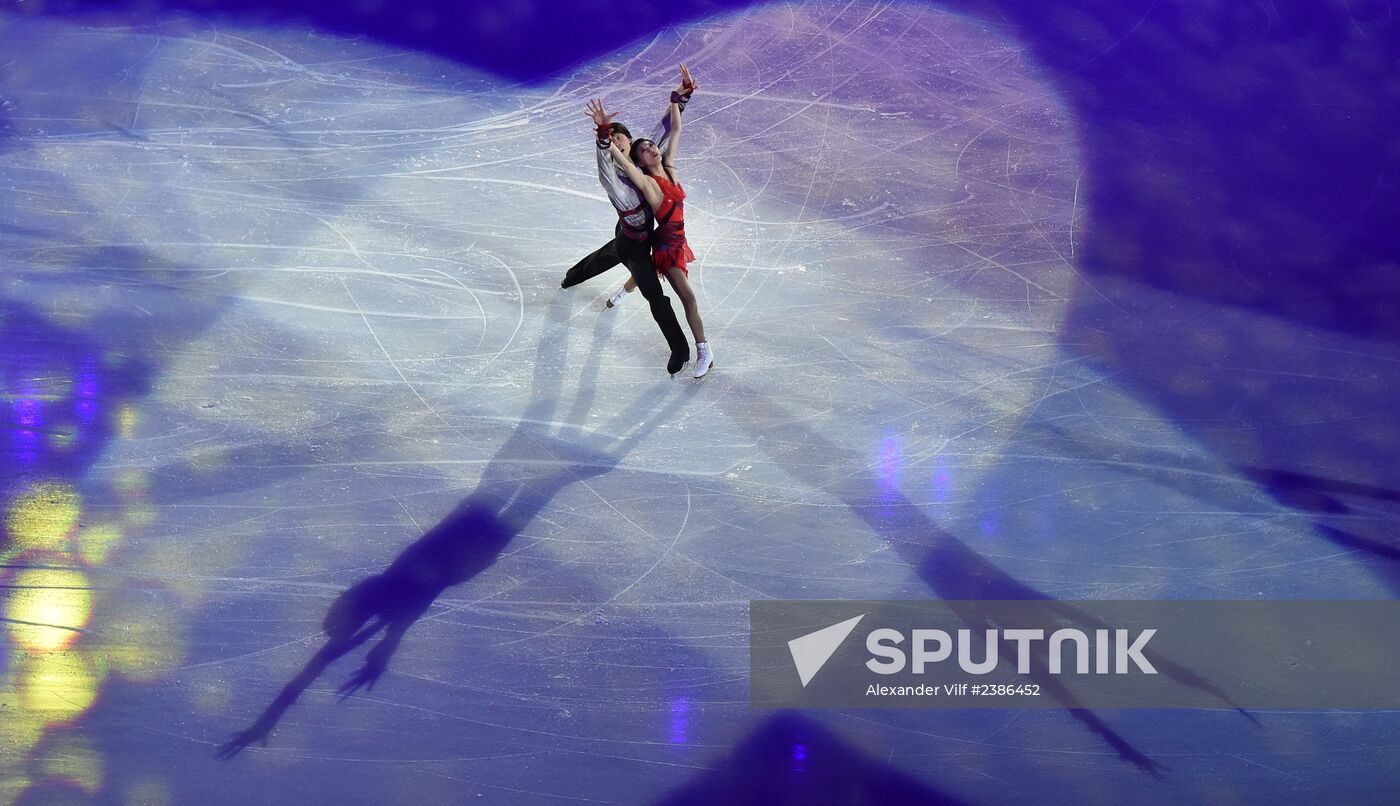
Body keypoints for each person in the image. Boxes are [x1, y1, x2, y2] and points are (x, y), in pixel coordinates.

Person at [562, 68, 695, 376]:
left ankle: (680, 349)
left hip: (645, 239)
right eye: (613, 140)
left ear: (630, 141)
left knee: (651, 294)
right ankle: (571, 278)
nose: (618, 143)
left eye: (621, 137)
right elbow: (604, 156)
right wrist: (602, 135)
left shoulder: (641, 159)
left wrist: (683, 96)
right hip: (630, 242)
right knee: (605, 259)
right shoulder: (612, 173)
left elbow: (663, 130)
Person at [595, 64, 714, 379]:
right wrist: (604, 137)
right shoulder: (644, 181)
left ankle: (623, 291)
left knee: (648, 274)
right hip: (655, 241)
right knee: (682, 294)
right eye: (645, 149)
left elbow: (673, 130)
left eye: (649, 145)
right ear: (640, 160)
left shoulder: (668, 163)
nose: (650, 147)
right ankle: (704, 350)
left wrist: (678, 97)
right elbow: (621, 162)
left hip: (671, 238)